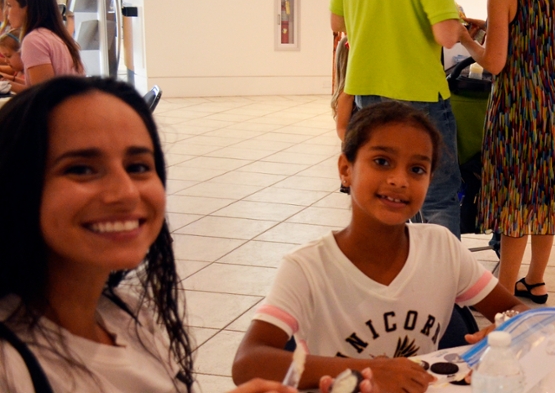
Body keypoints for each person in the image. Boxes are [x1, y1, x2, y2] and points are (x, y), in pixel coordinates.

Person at [0, 77, 368, 393]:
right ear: (16, 184)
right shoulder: (11, 364)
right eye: (81, 169)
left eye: (139, 166)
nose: (126, 192)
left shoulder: (128, 316)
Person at [232, 102, 527, 392]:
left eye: (417, 169)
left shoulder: (441, 247)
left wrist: (508, 327)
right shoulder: (307, 267)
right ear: (346, 169)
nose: (399, 180)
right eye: (382, 161)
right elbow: (248, 363)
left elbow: (515, 309)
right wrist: (368, 371)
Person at [329, 0, 468, 235]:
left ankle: (386, 277)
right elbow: (446, 36)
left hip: (368, 93)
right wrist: (452, 18)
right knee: (437, 196)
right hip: (419, 95)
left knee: (382, 191)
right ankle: (438, 289)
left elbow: (336, 25)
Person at [456, 0, 555, 304]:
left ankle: (504, 292)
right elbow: (532, 37)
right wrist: (487, 27)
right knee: (543, 196)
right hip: (554, 103)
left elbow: (495, 60)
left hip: (518, 106)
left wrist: (465, 38)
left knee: (514, 201)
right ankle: (536, 281)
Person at [5, 0, 84, 84]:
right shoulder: (54, 36)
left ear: (27, 8)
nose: (7, 12)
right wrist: (9, 83)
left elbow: (43, 92)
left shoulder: (34, 40)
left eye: (10, 5)